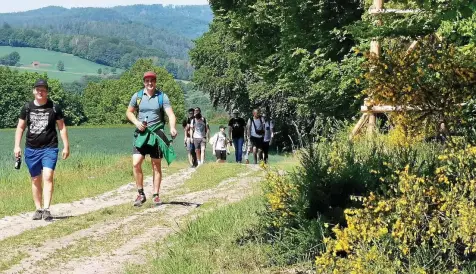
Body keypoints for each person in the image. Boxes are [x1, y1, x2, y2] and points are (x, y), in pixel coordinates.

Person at [14, 79, 70, 221]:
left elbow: (61, 127)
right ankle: (38, 209)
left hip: (49, 148)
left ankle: (46, 209)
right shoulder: (27, 108)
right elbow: (20, 127)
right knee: (35, 179)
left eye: (43, 89)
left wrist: (66, 146)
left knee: (48, 176)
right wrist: (17, 146)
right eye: (38, 89)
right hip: (31, 149)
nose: (41, 91)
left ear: (47, 92)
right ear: (34, 91)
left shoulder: (54, 107)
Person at [126, 71, 177, 207]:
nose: (150, 83)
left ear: (155, 82)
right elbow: (129, 112)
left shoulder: (162, 97)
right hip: (141, 134)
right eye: (147, 81)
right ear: (144, 82)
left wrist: (172, 127)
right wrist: (137, 123)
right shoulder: (137, 96)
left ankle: (156, 195)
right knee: (136, 163)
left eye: (152, 81)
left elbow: (170, 114)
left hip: (156, 134)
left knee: (156, 164)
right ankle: (141, 194)